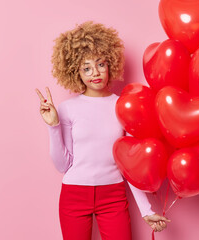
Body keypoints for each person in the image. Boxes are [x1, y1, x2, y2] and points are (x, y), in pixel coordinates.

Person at [35, 21, 170, 240]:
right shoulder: (67, 109)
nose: (95, 73)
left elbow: (130, 165)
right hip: (74, 196)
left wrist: (146, 210)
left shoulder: (123, 106)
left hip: (113, 196)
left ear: (110, 64)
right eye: (86, 67)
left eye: (100, 64)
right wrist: (53, 126)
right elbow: (62, 165)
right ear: (75, 71)